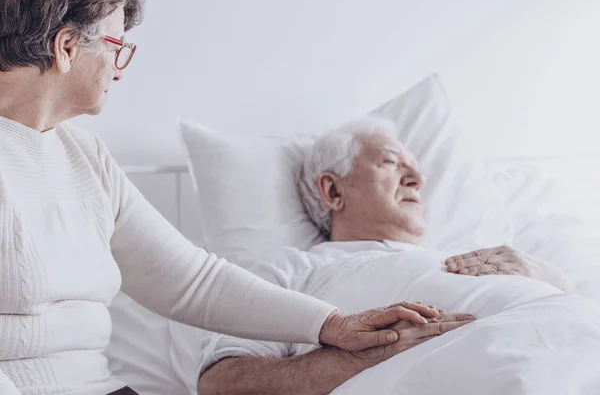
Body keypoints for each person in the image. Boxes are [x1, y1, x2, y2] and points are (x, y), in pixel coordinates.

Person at [0, 0, 436, 394]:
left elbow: (193, 282)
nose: (119, 67)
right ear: (67, 48)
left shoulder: (86, 157)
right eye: (118, 45)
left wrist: (331, 324)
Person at [189, 117, 571, 394]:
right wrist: (359, 359)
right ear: (333, 191)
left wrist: (545, 275)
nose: (417, 180)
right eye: (391, 163)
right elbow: (221, 383)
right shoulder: (292, 269)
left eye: (416, 170)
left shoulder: (476, 256)